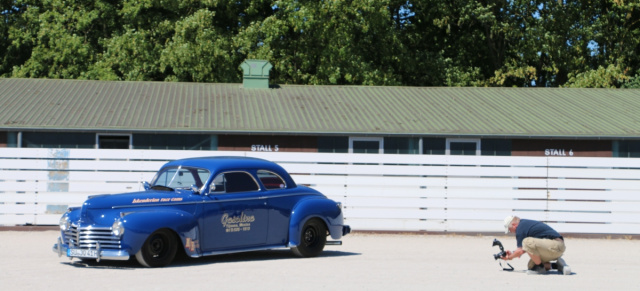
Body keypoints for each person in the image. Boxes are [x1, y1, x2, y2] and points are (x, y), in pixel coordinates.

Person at [501, 215, 568, 274]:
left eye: (509, 229)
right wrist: (512, 252)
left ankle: (540, 269)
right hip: (556, 247)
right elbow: (526, 248)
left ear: (514, 225)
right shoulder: (524, 224)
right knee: (532, 266)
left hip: (556, 245)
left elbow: (520, 250)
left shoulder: (520, 228)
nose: (511, 232)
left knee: (526, 241)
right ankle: (559, 266)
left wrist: (509, 257)